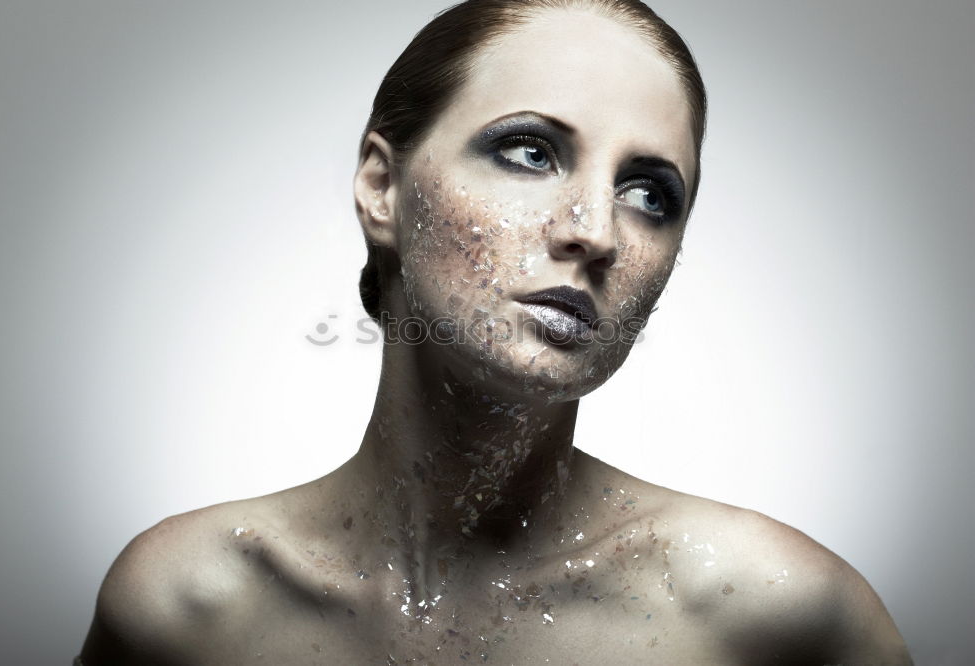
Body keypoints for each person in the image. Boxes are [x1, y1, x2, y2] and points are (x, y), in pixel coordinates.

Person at [78, 0, 912, 663]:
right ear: (382, 187)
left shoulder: (774, 615)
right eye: (529, 152)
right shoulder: (187, 606)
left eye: (650, 193)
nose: (596, 231)